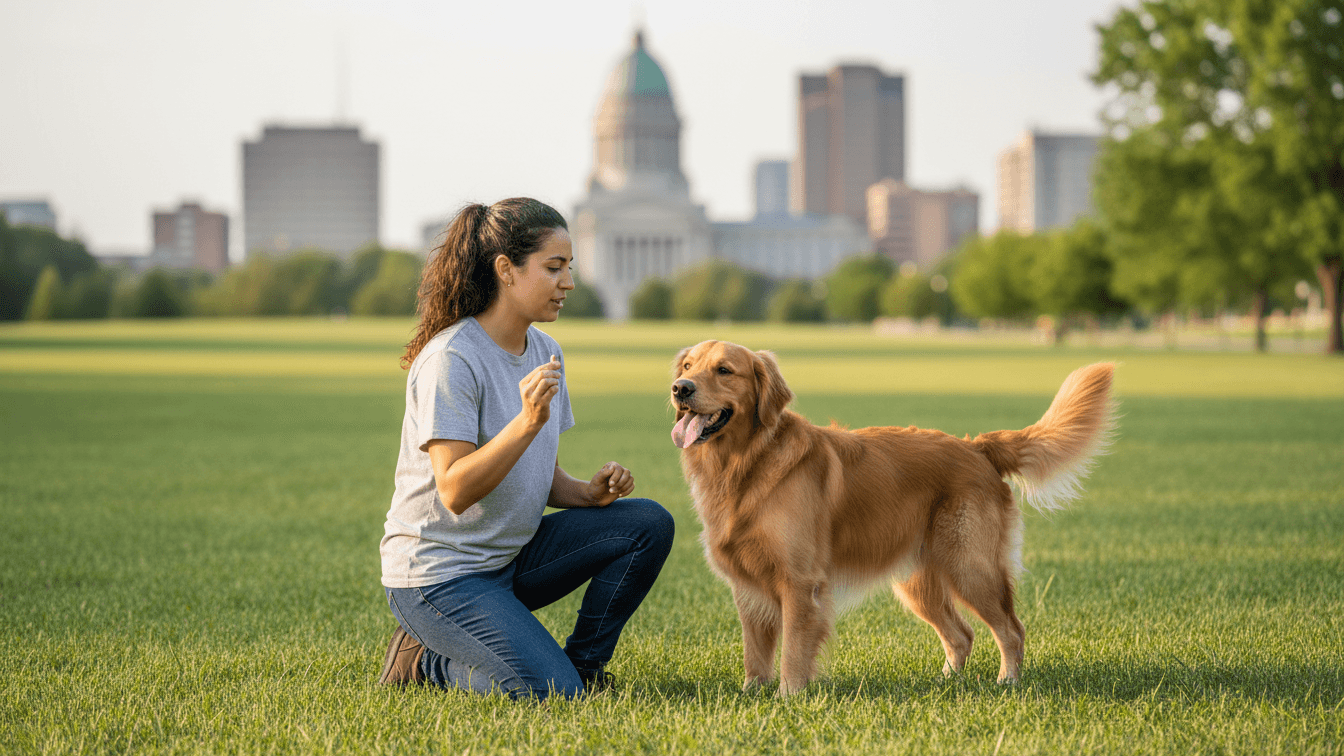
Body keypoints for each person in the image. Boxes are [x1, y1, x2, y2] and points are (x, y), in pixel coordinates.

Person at [377, 197, 674, 700]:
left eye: (569, 268)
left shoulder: (545, 351)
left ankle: (584, 667)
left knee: (647, 523)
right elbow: (454, 490)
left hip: (509, 560)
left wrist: (588, 494)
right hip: (438, 576)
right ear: (506, 270)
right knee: (552, 694)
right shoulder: (452, 358)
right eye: (554, 268)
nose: (568, 282)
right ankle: (425, 662)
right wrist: (527, 421)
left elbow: (539, 474)